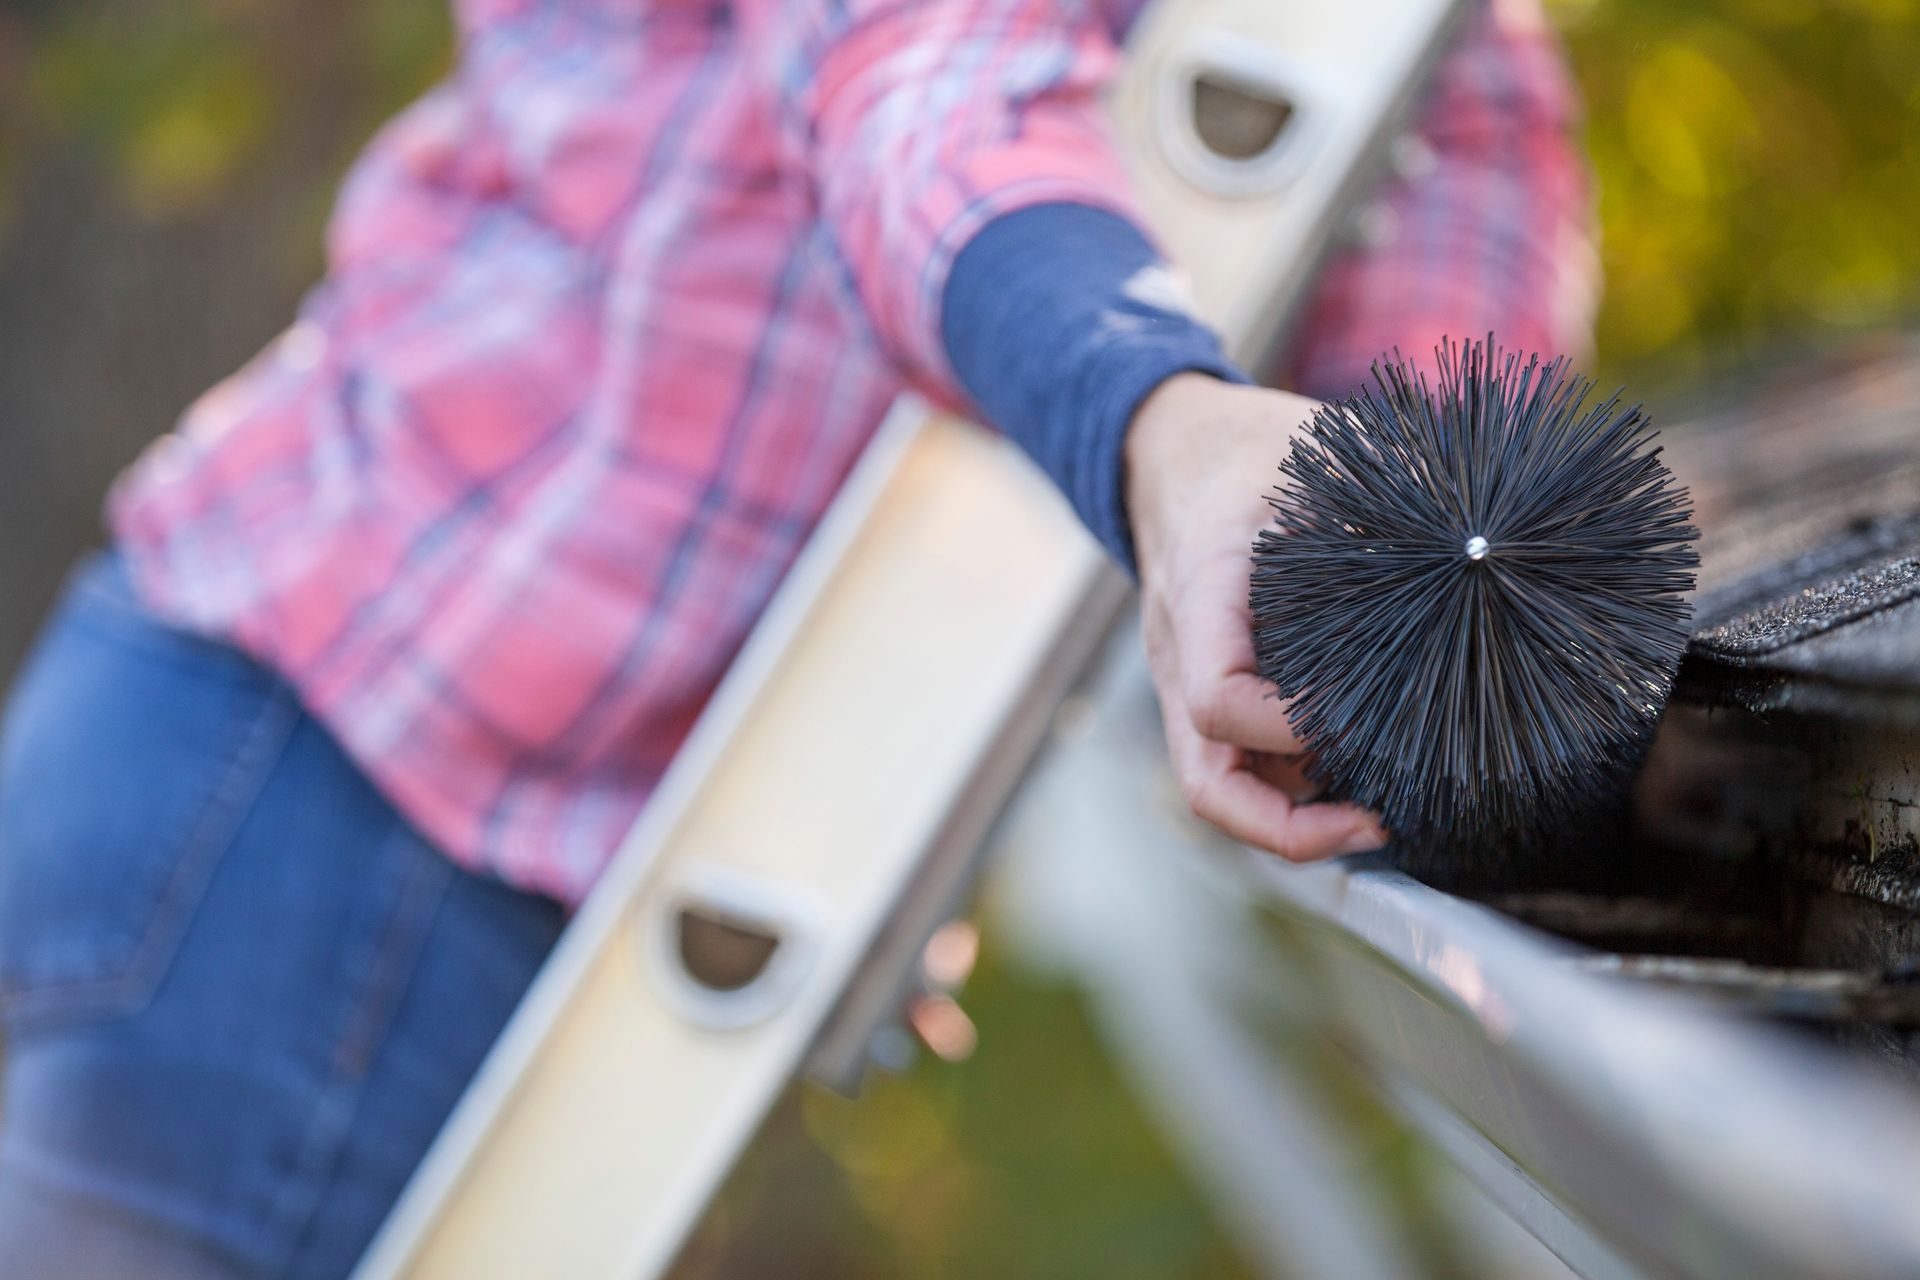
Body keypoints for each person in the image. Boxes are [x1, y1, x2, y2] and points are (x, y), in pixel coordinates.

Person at [0, 0, 1592, 1275]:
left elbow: (1456, 239)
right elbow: (923, 84)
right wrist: (1167, 433)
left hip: (509, 833)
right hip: (322, 805)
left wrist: (1404, 595)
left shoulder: (1439, 48)